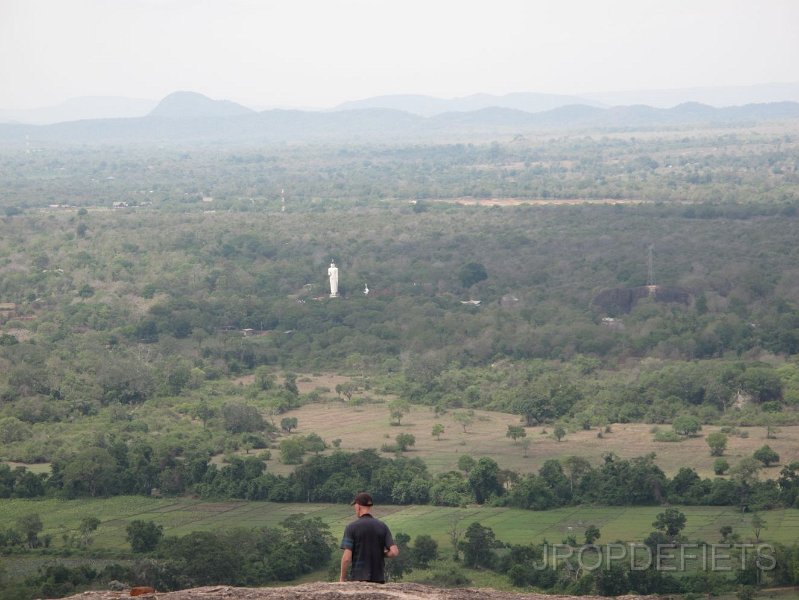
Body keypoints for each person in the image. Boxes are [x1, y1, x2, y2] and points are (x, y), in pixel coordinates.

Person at [339, 492, 399, 583]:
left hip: (358, 579)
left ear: (358, 506)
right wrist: (382, 554)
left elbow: (347, 558)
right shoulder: (382, 526)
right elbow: (394, 552)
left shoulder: (351, 527)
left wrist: (342, 579)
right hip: (378, 579)